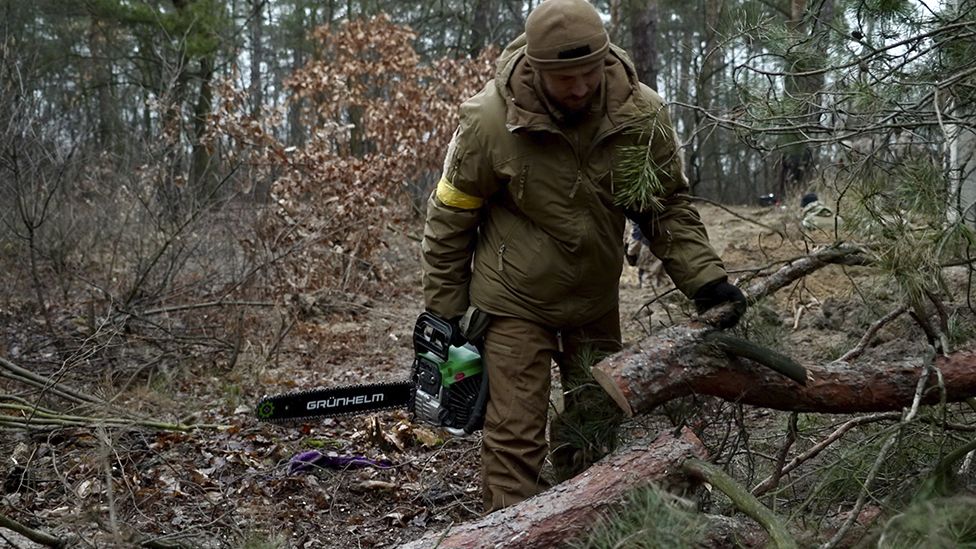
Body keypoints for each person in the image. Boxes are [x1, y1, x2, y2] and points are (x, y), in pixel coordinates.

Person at [420, 0, 746, 513]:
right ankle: (513, 532)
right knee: (514, 435)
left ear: (604, 60)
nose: (578, 88)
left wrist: (706, 281)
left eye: (588, 74)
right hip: (512, 299)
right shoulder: (489, 121)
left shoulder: (639, 115)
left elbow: (666, 209)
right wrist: (443, 312)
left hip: (594, 299)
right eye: (563, 78)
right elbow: (450, 217)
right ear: (535, 68)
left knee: (593, 426)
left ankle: (579, 520)